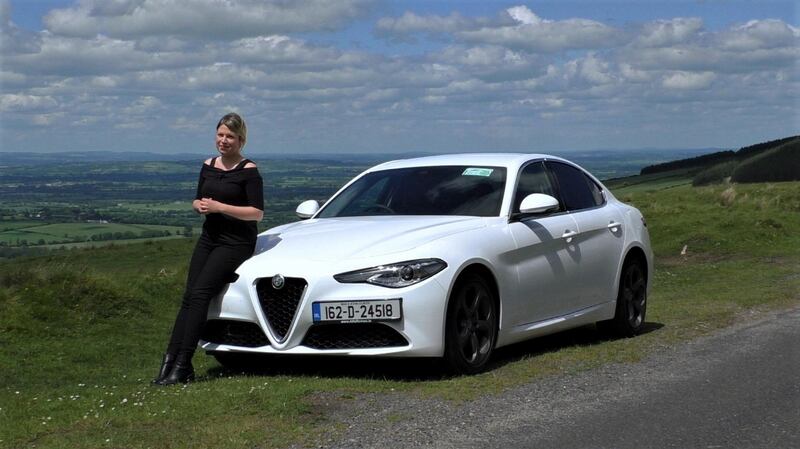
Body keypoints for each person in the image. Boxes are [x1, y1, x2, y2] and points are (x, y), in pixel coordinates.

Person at [153, 112, 264, 385]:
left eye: (230, 137)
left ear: (241, 140)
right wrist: (199, 206)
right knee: (189, 296)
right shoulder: (208, 165)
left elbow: (257, 213)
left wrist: (219, 207)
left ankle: (184, 364)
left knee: (201, 294)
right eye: (220, 135)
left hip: (236, 241)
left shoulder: (249, 171)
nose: (224, 141)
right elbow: (197, 198)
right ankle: (169, 362)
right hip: (210, 237)